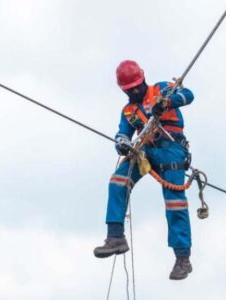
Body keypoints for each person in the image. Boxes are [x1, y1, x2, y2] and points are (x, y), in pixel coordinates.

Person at [94, 60, 195, 280]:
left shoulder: (161, 90)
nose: (135, 91)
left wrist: (168, 103)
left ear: (143, 78)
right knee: (117, 181)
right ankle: (115, 237)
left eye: (137, 87)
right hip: (145, 151)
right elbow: (122, 133)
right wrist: (121, 143)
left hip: (172, 149)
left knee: (175, 202)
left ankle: (182, 258)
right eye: (129, 90)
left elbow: (188, 95)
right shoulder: (129, 111)